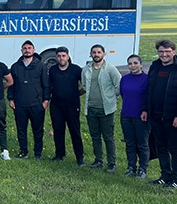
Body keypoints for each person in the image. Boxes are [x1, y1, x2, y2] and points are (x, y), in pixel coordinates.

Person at [142, 40, 177, 189]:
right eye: (161, 51)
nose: (164, 54)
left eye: (167, 51)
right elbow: (149, 90)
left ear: (174, 52)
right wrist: (146, 109)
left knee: (174, 148)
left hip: (172, 116)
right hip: (155, 114)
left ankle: (175, 179)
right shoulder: (155, 66)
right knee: (160, 147)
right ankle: (165, 176)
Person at [81, 44, 121, 172]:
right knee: (95, 136)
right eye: (94, 52)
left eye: (99, 52)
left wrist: (111, 97)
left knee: (108, 137)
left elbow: (119, 85)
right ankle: (98, 160)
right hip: (91, 108)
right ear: (90, 54)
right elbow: (84, 86)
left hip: (106, 109)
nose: (96, 54)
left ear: (104, 54)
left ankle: (111, 163)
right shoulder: (86, 69)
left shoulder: (110, 69)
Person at [8, 40, 49, 159]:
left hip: (37, 104)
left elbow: (46, 85)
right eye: (25, 48)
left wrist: (46, 101)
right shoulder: (15, 67)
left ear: (33, 50)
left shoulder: (41, 66)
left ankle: (38, 154)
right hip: (20, 104)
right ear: (21, 50)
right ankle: (23, 152)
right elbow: (12, 85)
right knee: (21, 130)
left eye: (29, 48)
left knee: (38, 131)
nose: (27, 50)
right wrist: (11, 98)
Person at [47, 47, 84, 165]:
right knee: (58, 130)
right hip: (56, 105)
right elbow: (49, 86)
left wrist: (77, 94)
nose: (61, 58)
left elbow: (84, 85)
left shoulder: (76, 69)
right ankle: (59, 154)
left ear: (68, 57)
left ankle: (79, 157)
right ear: (56, 57)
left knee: (74, 131)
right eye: (59, 56)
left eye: (63, 56)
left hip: (72, 106)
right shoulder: (53, 70)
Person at [120, 54, 149, 179]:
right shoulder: (124, 79)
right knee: (130, 143)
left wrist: (145, 110)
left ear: (141, 64)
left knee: (142, 144)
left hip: (141, 116)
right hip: (126, 115)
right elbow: (122, 94)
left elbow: (149, 97)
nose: (133, 66)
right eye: (130, 64)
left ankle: (143, 169)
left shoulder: (147, 79)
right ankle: (131, 167)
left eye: (135, 63)